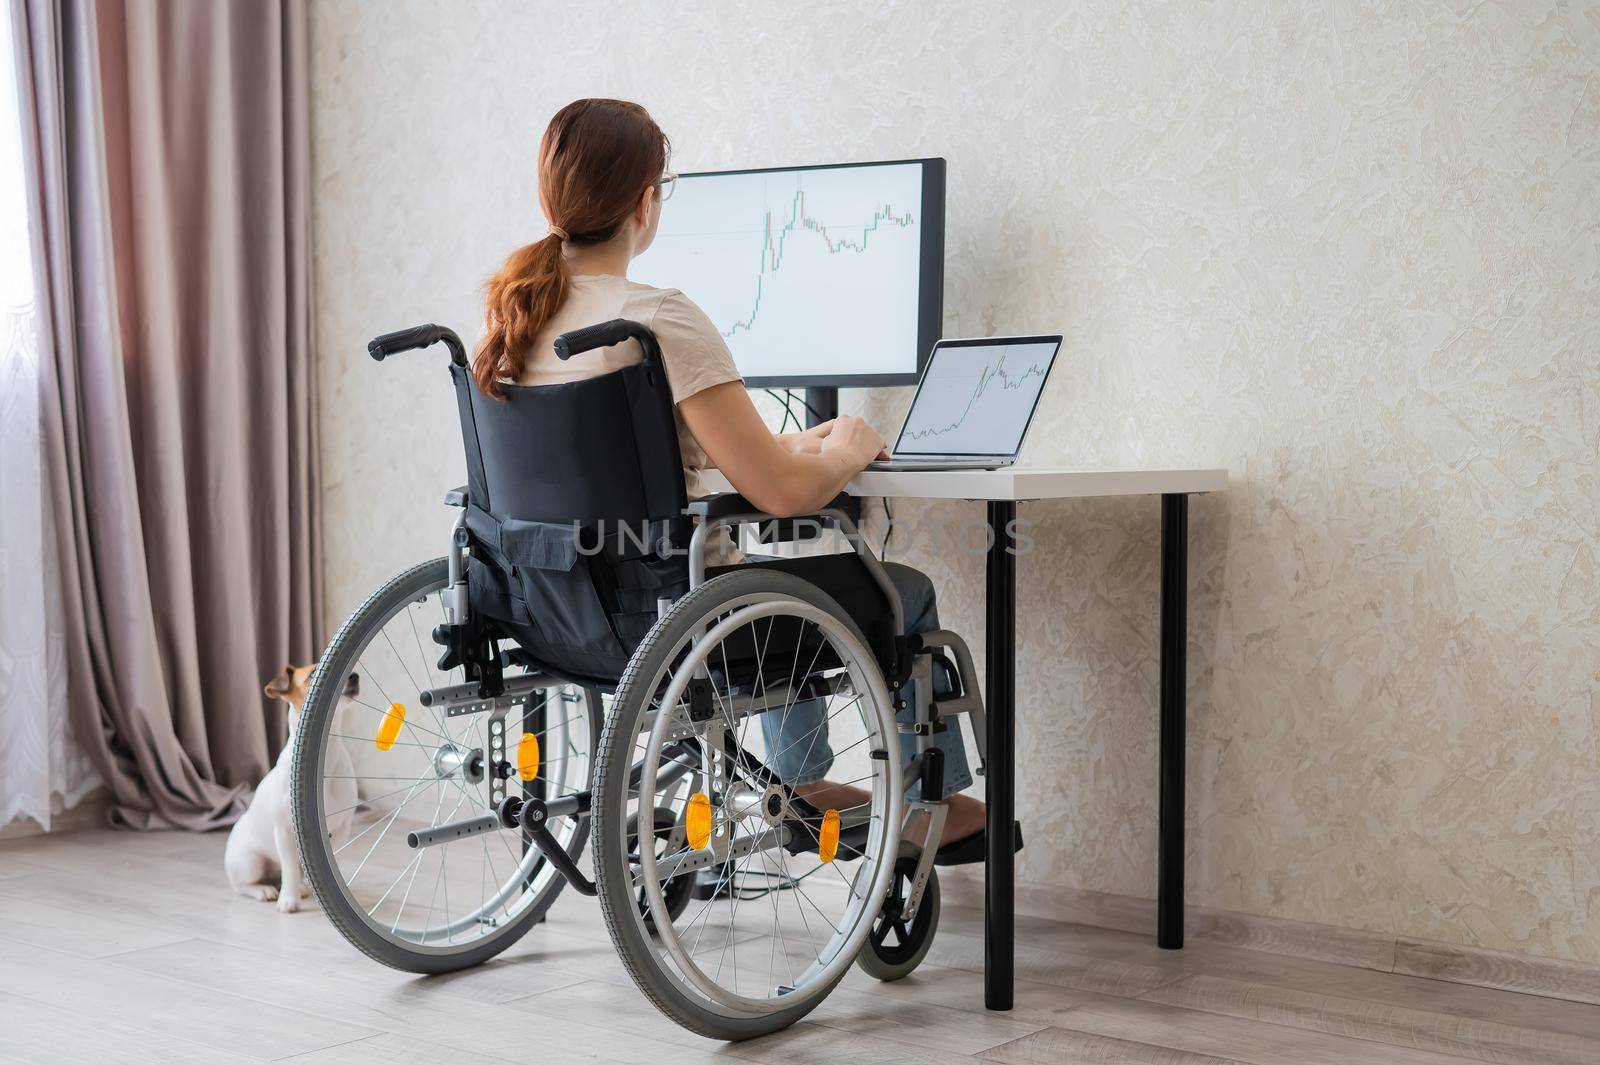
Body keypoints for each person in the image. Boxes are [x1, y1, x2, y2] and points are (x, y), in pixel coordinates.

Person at [472, 98, 994, 856]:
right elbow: (782, 493)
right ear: (646, 203)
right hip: (682, 614)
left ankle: (803, 786)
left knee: (785, 564)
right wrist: (846, 446)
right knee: (896, 590)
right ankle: (914, 803)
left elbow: (639, 466)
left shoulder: (513, 321)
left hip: (554, 613)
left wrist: (789, 446)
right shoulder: (655, 318)